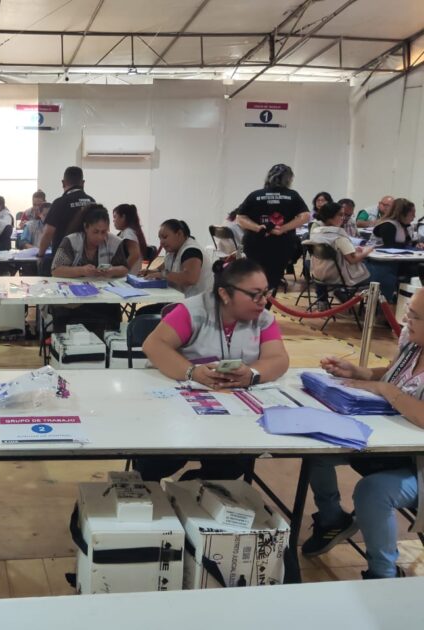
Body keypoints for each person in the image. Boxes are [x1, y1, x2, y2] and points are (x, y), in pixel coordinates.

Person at [303, 287, 424, 579]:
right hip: (393, 446)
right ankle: (332, 519)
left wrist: (385, 389)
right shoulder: (413, 342)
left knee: (373, 491)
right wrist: (360, 373)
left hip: (417, 463)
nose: (405, 319)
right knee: (317, 449)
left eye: (414, 316)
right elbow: (395, 374)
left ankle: (383, 575)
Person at [134, 258, 289, 481]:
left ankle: (193, 487)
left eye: (266, 293)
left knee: (231, 465)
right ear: (225, 294)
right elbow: (154, 345)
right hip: (178, 405)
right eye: (255, 295)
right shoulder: (194, 311)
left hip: (232, 411)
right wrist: (192, 372)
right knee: (158, 462)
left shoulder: (263, 319)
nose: (263, 301)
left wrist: (252, 374)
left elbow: (278, 358)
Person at [50, 204, 129, 336]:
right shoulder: (71, 241)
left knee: (111, 313)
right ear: (86, 227)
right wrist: (81, 270)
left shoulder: (114, 242)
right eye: (96, 232)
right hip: (73, 299)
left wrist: (112, 270)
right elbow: (56, 270)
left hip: (103, 299)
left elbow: (124, 268)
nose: (100, 237)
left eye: (104, 232)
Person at [236, 163, 310, 295]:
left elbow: (240, 218)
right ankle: (265, 303)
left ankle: (252, 302)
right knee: (272, 280)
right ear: (288, 179)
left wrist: (257, 227)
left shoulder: (255, 195)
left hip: (255, 244)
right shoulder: (292, 195)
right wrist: (283, 228)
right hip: (281, 245)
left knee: (254, 277)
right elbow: (305, 216)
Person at [306, 202, 373, 311]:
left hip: (317, 274)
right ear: (330, 216)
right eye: (340, 215)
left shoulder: (316, 232)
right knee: (375, 274)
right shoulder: (339, 235)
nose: (343, 218)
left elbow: (334, 251)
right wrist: (367, 251)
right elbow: (352, 260)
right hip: (337, 276)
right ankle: (369, 307)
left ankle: (341, 295)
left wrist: (353, 250)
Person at [38, 166, 96, 276]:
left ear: (63, 183)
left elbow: (48, 232)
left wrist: (40, 255)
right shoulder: (92, 202)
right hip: (88, 261)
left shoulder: (60, 202)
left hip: (63, 260)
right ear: (83, 183)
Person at [366, 198, 421, 302]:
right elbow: (390, 246)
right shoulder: (388, 225)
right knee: (407, 271)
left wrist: (417, 244)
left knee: (418, 268)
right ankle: (388, 301)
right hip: (377, 262)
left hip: (396, 260)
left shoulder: (405, 226)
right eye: (412, 213)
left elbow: (406, 243)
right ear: (402, 213)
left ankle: (409, 299)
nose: (414, 216)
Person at [142, 219, 213, 299]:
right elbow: (161, 269)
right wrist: (148, 272)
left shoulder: (191, 251)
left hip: (198, 303)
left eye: (165, 237)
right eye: (160, 238)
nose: (161, 242)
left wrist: (162, 274)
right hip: (182, 300)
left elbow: (190, 278)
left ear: (179, 234)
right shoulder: (173, 251)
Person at [112, 203, 148, 273]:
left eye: (115, 217)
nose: (113, 220)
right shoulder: (130, 231)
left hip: (129, 275)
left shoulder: (128, 232)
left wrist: (123, 271)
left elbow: (135, 254)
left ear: (123, 217)